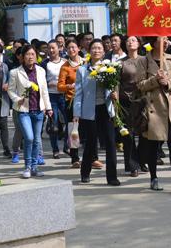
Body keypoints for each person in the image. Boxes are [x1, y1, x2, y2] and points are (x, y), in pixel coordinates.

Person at [137, 36, 171, 193]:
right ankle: (154, 178)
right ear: (154, 42)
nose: (165, 42)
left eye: (167, 39)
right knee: (153, 145)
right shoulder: (143, 61)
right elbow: (140, 85)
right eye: (162, 39)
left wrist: (169, 82)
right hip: (154, 109)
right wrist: (155, 80)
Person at [73, 39, 120, 185]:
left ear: (103, 51)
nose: (96, 50)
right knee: (91, 143)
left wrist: (114, 94)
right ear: (89, 51)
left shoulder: (109, 68)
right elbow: (78, 93)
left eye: (99, 48)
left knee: (111, 143)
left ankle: (112, 177)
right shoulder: (82, 70)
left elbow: (115, 86)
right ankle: (85, 172)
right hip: (90, 111)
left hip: (106, 110)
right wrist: (77, 113)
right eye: (94, 48)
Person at [8, 45, 53, 178]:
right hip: (23, 110)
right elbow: (10, 90)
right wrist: (17, 99)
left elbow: (44, 90)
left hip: (38, 110)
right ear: (22, 57)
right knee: (29, 137)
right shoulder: (15, 72)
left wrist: (48, 107)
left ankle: (34, 167)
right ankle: (27, 166)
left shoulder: (41, 70)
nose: (30, 57)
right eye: (27, 54)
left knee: (37, 140)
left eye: (33, 54)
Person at [58, 39, 84, 168]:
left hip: (87, 101)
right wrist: (69, 86)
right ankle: (75, 158)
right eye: (69, 48)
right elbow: (60, 86)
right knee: (73, 130)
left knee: (88, 129)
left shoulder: (86, 63)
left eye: (74, 47)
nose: (71, 50)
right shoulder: (65, 66)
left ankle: (93, 157)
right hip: (71, 101)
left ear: (79, 48)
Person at [119, 35, 143, 176]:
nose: (130, 43)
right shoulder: (121, 62)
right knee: (128, 135)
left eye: (133, 40)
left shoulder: (145, 60)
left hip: (143, 101)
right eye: (127, 41)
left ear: (139, 44)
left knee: (145, 134)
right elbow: (116, 82)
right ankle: (132, 165)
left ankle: (141, 160)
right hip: (126, 102)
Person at [42, 40, 66, 159]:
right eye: (49, 48)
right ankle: (55, 149)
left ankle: (68, 146)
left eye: (53, 48)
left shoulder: (65, 62)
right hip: (51, 96)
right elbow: (40, 81)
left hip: (64, 95)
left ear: (59, 48)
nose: (51, 50)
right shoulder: (44, 63)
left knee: (69, 122)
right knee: (53, 124)